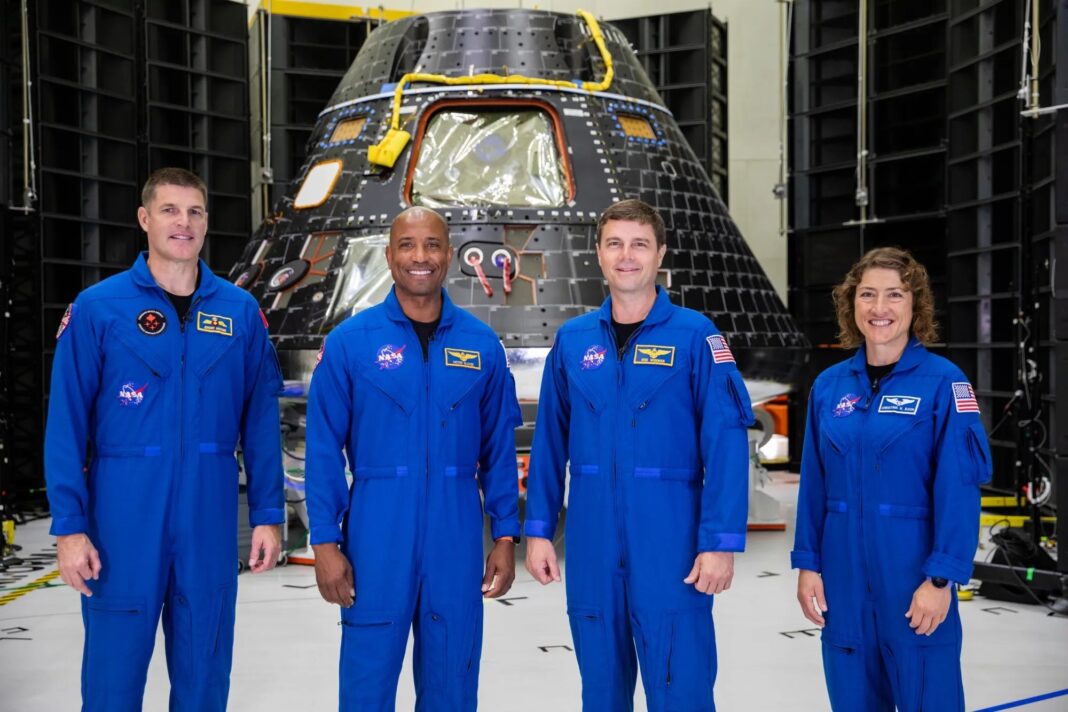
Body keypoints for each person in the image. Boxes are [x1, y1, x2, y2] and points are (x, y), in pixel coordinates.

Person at [44, 167, 285, 711]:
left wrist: (268, 513)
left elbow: (261, 424)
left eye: (195, 211)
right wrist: (69, 528)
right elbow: (66, 427)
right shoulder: (98, 310)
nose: (184, 222)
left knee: (204, 678)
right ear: (145, 219)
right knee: (112, 682)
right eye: (171, 210)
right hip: (122, 523)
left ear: (206, 223)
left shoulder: (240, 313)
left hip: (208, 520)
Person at [524, 199, 754, 711]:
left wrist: (718, 541)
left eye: (639, 244)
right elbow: (549, 443)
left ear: (660, 254)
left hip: (671, 545)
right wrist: (539, 529)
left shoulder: (697, 336)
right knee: (601, 692)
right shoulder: (572, 341)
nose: (627, 256)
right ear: (599, 256)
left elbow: (726, 441)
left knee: (682, 688)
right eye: (615, 244)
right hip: (592, 545)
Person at [305, 206, 522, 711]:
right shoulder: (349, 344)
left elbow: (498, 448)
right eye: (407, 245)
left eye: (431, 245)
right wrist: (324, 541)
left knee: (452, 679)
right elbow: (321, 449)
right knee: (367, 682)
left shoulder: (481, 345)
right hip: (376, 533)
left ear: (449, 255)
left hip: (456, 532)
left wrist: (505, 534)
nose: (419, 257)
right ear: (389, 255)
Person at [791, 247, 992, 711]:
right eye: (867, 295)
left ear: (915, 305)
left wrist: (941, 579)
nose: (879, 308)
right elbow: (814, 486)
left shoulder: (945, 384)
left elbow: (959, 489)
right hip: (842, 581)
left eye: (894, 295)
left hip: (912, 580)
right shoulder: (829, 387)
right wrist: (808, 563)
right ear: (851, 305)